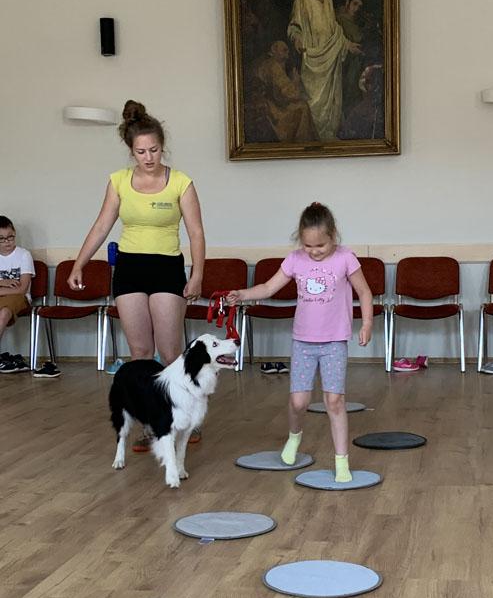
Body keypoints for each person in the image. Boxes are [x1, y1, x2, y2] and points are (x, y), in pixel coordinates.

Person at [68, 100, 206, 448]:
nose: (148, 157)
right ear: (131, 151)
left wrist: (197, 275)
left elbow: (196, 233)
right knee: (141, 353)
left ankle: (186, 418)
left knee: (170, 352)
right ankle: (152, 423)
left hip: (166, 268)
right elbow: (102, 226)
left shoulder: (181, 182)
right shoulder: (118, 181)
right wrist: (79, 263)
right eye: (141, 151)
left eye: (154, 150)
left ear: (163, 147)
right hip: (129, 268)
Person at [227, 202, 373, 482]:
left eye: (321, 245)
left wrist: (366, 324)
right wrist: (242, 294)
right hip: (303, 342)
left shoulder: (345, 258)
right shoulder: (295, 260)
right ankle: (294, 437)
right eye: (308, 246)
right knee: (298, 402)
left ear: (333, 236)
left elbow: (364, 292)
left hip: (334, 342)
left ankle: (341, 461)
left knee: (335, 401)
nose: (314, 251)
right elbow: (268, 287)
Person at [287, 0, 362, 141]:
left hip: (330, 60)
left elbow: (335, 30)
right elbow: (294, 26)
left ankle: (328, 136)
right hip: (312, 59)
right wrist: (297, 39)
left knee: (330, 108)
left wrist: (348, 45)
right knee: (312, 102)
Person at [253, 40, 318, 142]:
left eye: (287, 51)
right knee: (303, 107)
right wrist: (295, 82)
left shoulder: (270, 64)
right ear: (275, 51)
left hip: (272, 102)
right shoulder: (274, 67)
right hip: (274, 109)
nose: (287, 55)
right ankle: (302, 142)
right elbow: (286, 93)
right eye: (284, 51)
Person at [0, 215, 36, 374]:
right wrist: (4, 282)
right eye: (1, 239)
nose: (7, 242)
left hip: (20, 299)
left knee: (4, 313)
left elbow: (22, 289)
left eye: (10, 237)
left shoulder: (23, 255)